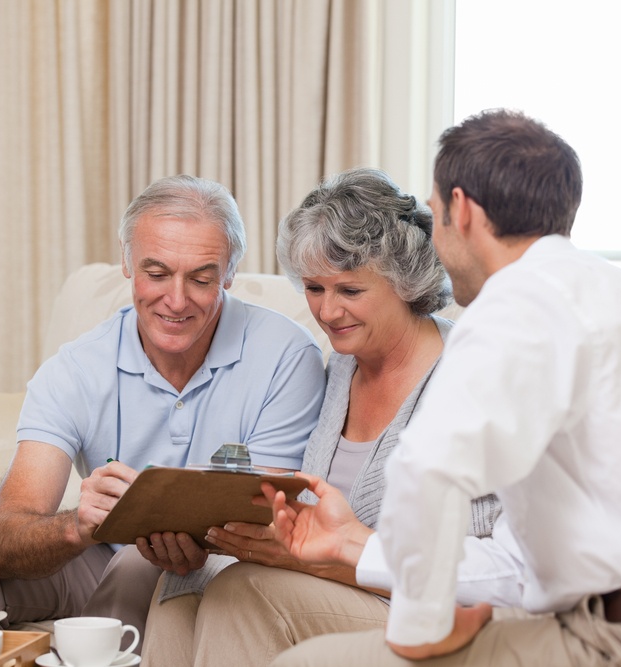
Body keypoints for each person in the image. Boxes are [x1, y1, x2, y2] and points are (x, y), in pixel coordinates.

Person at [266, 110, 621, 667]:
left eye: (434, 213)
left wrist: (421, 625)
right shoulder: (609, 295)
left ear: (464, 210)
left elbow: (427, 470)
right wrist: (351, 545)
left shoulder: (518, 300)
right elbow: (518, 564)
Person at [0, 175, 327, 648]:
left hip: (224, 569)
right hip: (95, 561)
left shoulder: (287, 355)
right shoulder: (75, 368)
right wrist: (76, 527)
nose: (176, 300)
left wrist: (180, 533)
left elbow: (271, 518)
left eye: (201, 278)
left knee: (141, 562)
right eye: (156, 273)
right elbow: (7, 534)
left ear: (230, 273)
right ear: (127, 263)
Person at [139, 167, 525, 667]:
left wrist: (318, 559)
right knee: (181, 585)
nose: (327, 311)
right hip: (343, 595)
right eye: (314, 288)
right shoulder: (340, 367)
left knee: (245, 592)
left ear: (404, 282)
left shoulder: (475, 379)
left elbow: (497, 574)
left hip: (438, 617)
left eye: (349, 291)